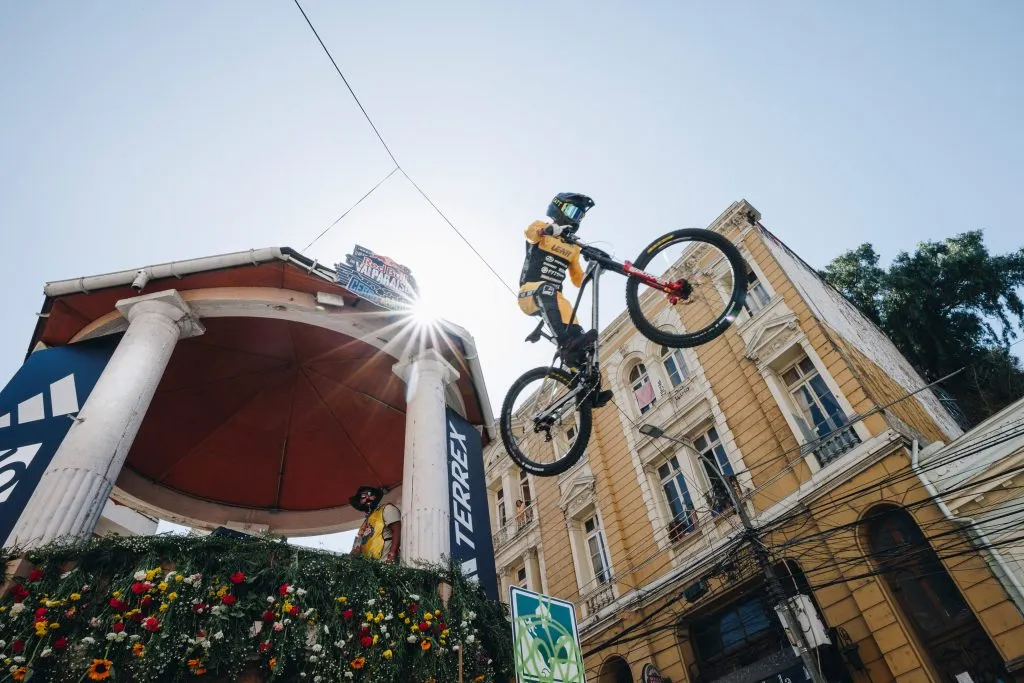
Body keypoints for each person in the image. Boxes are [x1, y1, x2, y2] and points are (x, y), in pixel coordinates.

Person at [518, 192, 613, 407]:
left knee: (583, 342)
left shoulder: (573, 247)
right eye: (572, 211)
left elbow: (578, 279)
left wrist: (595, 268)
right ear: (557, 208)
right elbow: (530, 233)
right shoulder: (542, 227)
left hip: (557, 300)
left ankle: (590, 391)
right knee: (547, 291)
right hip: (530, 293)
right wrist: (549, 230)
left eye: (580, 214)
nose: (576, 217)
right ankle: (565, 343)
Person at [349, 485, 401, 563]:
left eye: (370, 494)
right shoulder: (363, 525)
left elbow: (397, 530)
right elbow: (357, 548)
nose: (367, 497)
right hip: (368, 569)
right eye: (363, 496)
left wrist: (392, 555)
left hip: (385, 563)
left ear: (375, 497)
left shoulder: (387, 509)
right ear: (359, 502)